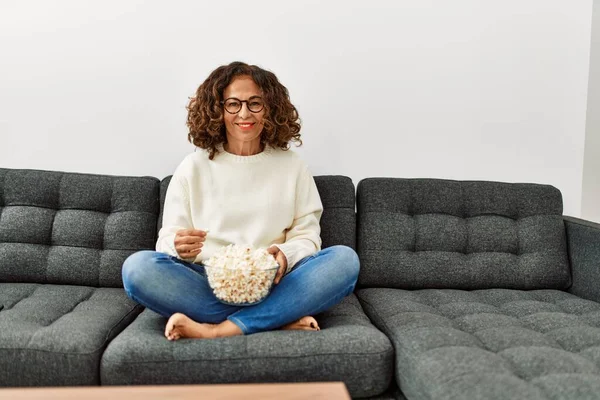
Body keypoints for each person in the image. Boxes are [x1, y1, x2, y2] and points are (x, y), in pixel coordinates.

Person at [121, 61, 360, 340]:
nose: (244, 113)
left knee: (344, 260)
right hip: (207, 283)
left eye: (255, 103)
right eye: (233, 104)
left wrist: (285, 255)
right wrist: (176, 246)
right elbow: (167, 240)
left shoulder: (292, 166)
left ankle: (221, 329)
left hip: (275, 283)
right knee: (137, 269)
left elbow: (308, 237)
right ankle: (275, 318)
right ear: (218, 110)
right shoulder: (193, 167)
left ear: (270, 108)